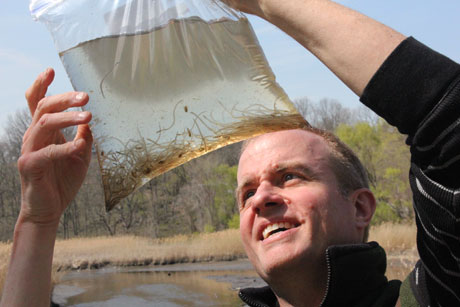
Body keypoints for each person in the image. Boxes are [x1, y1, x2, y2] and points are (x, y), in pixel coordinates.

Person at [2, 0, 460, 306]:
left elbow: (448, 119)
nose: (260, 199)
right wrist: (38, 221)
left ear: (359, 206)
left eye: (290, 177)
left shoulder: (435, 295)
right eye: (245, 194)